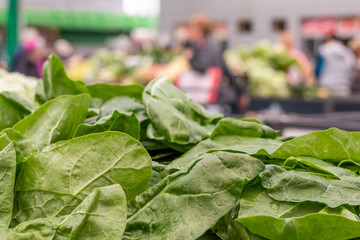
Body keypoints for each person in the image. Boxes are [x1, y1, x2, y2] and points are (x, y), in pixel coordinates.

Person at [177, 13, 246, 112]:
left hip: (206, 98)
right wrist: (240, 93)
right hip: (216, 97)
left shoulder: (200, 46)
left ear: (199, 30)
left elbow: (202, 66)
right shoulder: (214, 46)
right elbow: (227, 71)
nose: (189, 31)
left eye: (191, 27)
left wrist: (190, 58)